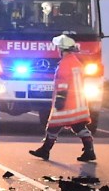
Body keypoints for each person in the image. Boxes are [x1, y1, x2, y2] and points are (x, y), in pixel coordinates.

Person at [29, 34, 96, 162]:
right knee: (79, 127)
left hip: (67, 104)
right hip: (78, 104)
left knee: (53, 126)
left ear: (61, 49)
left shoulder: (65, 64)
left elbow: (63, 83)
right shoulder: (76, 63)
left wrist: (60, 99)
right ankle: (89, 151)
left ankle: (45, 150)